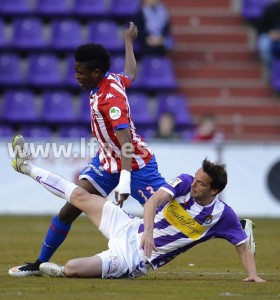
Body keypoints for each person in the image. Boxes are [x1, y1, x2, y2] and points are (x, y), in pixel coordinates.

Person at [8, 22, 166, 277]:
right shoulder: (107, 81)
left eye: (80, 72)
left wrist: (125, 181)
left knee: (168, 215)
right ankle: (38, 263)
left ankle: (229, 224)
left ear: (95, 72)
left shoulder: (111, 99)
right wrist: (128, 42)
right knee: (70, 207)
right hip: (106, 161)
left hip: (136, 164)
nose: (76, 76)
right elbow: (131, 74)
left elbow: (126, 144)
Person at [10, 138, 265, 282]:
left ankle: (61, 272)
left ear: (214, 191)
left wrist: (252, 275)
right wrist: (149, 232)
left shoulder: (222, 216)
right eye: (197, 179)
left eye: (202, 183)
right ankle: (26, 167)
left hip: (135, 259)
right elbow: (153, 201)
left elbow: (242, 245)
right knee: (80, 195)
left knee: (73, 268)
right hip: (129, 226)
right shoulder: (185, 181)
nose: (195, 184)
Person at [257, 0, 280, 76]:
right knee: (264, 44)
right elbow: (261, 27)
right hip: (270, 35)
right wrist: (270, 33)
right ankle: (270, 68)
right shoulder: (270, 9)